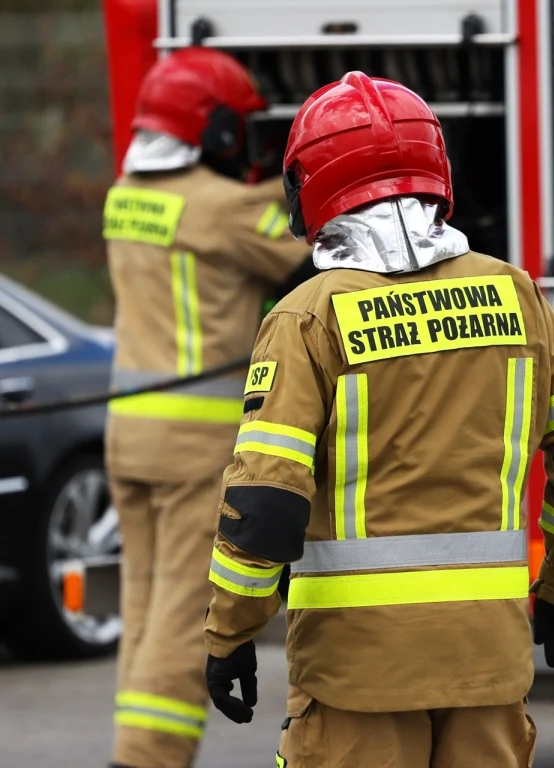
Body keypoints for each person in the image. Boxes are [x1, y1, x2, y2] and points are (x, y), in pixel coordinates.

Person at [201, 71, 554, 768]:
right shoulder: (514, 294)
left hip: (355, 675)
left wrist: (230, 633)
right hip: (489, 669)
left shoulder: (307, 317)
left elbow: (265, 504)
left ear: (310, 188)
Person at [102, 46, 313, 768]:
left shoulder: (125, 195)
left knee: (143, 605)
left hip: (129, 436)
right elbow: (315, 259)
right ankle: (148, 758)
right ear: (217, 131)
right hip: (193, 445)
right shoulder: (223, 208)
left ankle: (132, 745)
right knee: (185, 614)